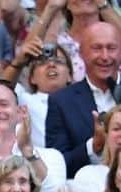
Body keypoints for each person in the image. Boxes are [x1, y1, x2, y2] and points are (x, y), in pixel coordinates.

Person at [46, 21, 121, 177]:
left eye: (111, 48)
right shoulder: (61, 101)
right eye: (97, 48)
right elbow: (57, 166)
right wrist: (93, 146)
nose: (105, 56)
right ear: (81, 53)